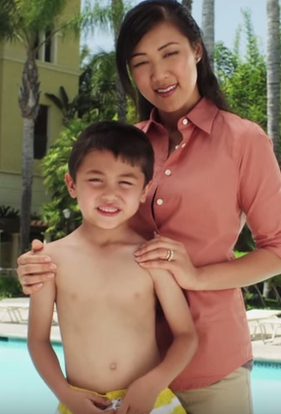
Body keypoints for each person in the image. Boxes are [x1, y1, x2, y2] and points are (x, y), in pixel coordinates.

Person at [18, 0, 281, 414]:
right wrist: (39, 267)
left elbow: (279, 252)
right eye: (141, 62)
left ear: (197, 51)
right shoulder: (125, 146)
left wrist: (195, 277)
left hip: (210, 362)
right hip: (121, 379)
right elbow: (95, 236)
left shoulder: (244, 140)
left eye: (170, 54)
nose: (158, 74)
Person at [26, 120, 198, 414]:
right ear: (72, 184)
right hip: (81, 404)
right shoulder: (50, 260)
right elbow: (38, 341)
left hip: (149, 402)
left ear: (144, 190)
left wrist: (152, 385)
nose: (110, 194)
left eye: (126, 182)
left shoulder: (150, 256)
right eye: (96, 180)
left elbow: (187, 336)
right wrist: (67, 396)